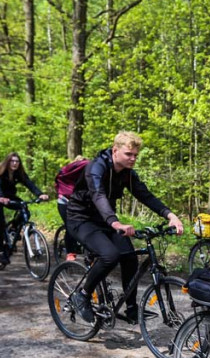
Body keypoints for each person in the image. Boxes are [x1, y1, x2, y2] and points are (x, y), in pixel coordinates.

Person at [66, 132, 183, 324]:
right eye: (129, 154)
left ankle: (131, 309)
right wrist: (116, 223)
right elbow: (98, 195)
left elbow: (145, 195)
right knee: (110, 255)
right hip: (81, 218)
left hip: (105, 220)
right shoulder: (96, 168)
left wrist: (170, 215)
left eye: (136, 155)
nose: (133, 158)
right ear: (115, 151)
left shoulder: (127, 173)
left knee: (129, 256)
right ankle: (83, 295)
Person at [0, 152, 48, 264]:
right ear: (7, 162)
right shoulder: (0, 172)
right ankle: (0, 251)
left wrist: (40, 194)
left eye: (17, 161)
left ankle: (13, 229)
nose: (15, 163)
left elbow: (29, 184)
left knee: (25, 210)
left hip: (9, 197)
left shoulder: (19, 173)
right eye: (12, 161)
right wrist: (0, 197)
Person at [54, 156, 90, 260]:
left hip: (79, 203)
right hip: (64, 202)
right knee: (70, 225)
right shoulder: (68, 173)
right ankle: (70, 252)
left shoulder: (88, 174)